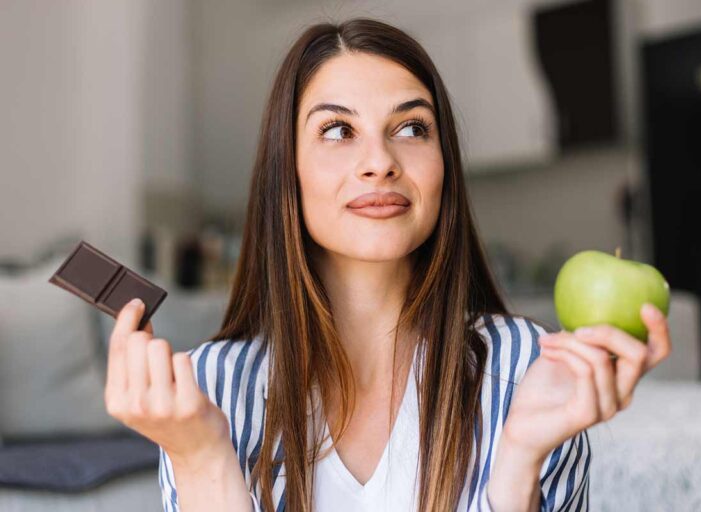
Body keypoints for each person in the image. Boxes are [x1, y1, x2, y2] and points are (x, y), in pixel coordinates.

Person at [103, 17, 671, 512]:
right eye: (337, 130)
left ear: (443, 164)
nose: (380, 162)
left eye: (411, 128)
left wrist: (521, 460)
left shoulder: (530, 369)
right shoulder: (212, 388)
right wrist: (202, 459)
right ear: (288, 174)